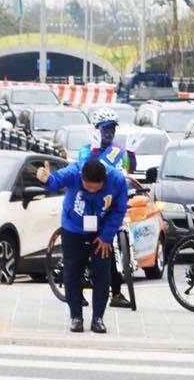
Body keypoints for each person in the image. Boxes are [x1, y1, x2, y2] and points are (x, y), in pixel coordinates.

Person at [36, 158, 128, 333]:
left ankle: (98, 318)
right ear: (81, 177)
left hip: (101, 231)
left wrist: (107, 236)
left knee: (102, 273)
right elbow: (55, 181)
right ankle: (76, 317)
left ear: (105, 181)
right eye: (88, 188)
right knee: (72, 273)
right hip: (73, 228)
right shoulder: (74, 172)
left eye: (97, 189)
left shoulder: (117, 180)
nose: (92, 192)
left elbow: (119, 209)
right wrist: (46, 179)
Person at [77, 107, 135, 309]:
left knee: (110, 248)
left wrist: (132, 155)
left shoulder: (119, 151)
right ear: (96, 130)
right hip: (90, 206)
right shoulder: (87, 150)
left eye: (112, 129)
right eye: (105, 129)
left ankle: (117, 293)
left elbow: (127, 172)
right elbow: (85, 171)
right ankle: (77, 288)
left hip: (111, 205)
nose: (109, 133)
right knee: (86, 246)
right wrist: (94, 152)